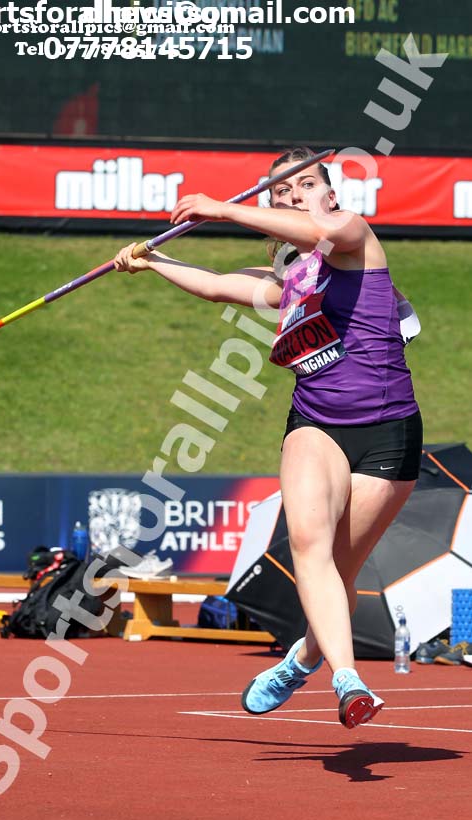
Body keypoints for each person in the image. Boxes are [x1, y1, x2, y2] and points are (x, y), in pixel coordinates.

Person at [114, 146, 422, 729]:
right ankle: (349, 681)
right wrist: (150, 263)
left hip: (388, 434)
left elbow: (315, 229)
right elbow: (216, 286)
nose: (292, 197)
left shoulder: (355, 236)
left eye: (304, 185)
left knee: (338, 569)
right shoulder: (291, 279)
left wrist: (223, 211)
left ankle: (301, 659)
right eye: (280, 192)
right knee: (310, 548)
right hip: (316, 424)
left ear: (330, 194)